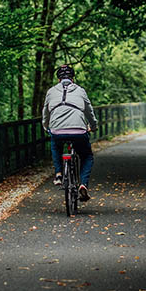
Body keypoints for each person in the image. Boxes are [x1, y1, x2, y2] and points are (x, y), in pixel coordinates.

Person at [42, 64, 98, 201]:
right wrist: (93, 126)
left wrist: (46, 126)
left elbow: (45, 112)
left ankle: (59, 173)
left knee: (55, 145)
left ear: (58, 79)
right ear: (72, 78)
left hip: (57, 130)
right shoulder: (80, 90)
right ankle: (83, 184)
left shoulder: (51, 91)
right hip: (78, 130)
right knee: (87, 156)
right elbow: (89, 111)